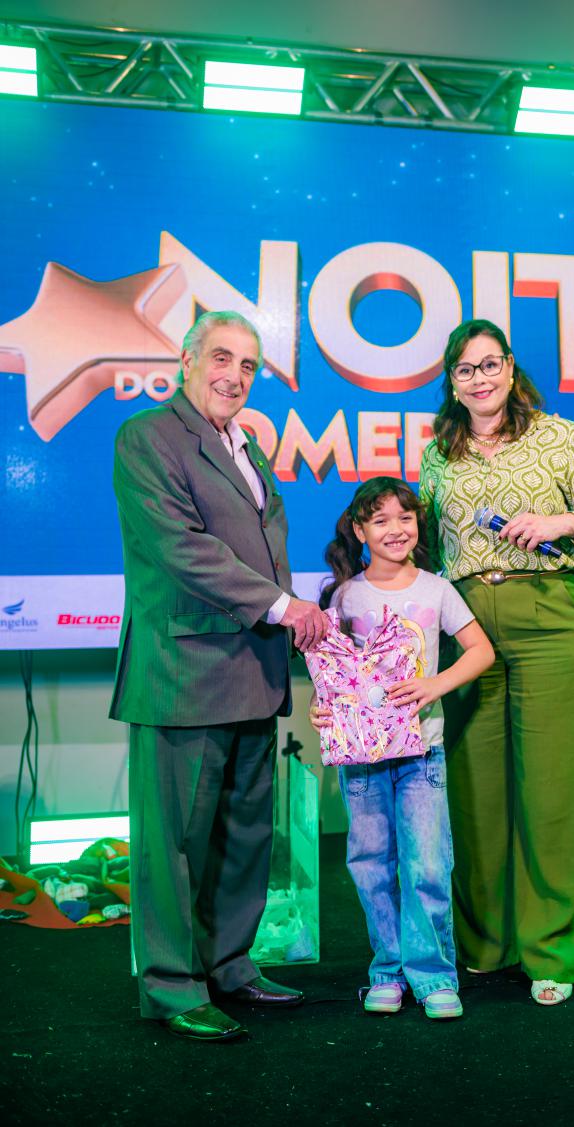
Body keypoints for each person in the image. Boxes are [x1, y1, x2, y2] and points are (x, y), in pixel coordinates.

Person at [110, 310, 328, 1041]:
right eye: (223, 357)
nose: (235, 375)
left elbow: (260, 544)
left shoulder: (248, 446)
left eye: (248, 365)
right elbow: (181, 547)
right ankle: (173, 986)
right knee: (173, 844)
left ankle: (229, 965)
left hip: (254, 671)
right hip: (185, 673)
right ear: (188, 361)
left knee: (243, 836)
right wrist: (284, 606)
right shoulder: (148, 436)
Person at [419, 318, 574, 1006]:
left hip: (547, 618)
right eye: (465, 369)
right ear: (452, 383)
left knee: (553, 790)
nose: (479, 378)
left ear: (510, 368)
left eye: (489, 364)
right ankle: (485, 943)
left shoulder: (561, 437)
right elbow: (423, 545)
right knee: (474, 792)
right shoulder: (437, 454)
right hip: (466, 628)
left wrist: (558, 522)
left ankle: (552, 951)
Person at [309, 477, 494, 1019]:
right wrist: (321, 708)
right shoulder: (344, 596)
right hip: (362, 762)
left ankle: (434, 976)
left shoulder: (437, 590)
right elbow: (333, 674)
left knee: (428, 866)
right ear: (359, 530)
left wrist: (436, 685)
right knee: (371, 864)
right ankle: (387, 971)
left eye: (405, 517)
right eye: (381, 519)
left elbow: (480, 650)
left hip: (422, 756)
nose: (396, 529)